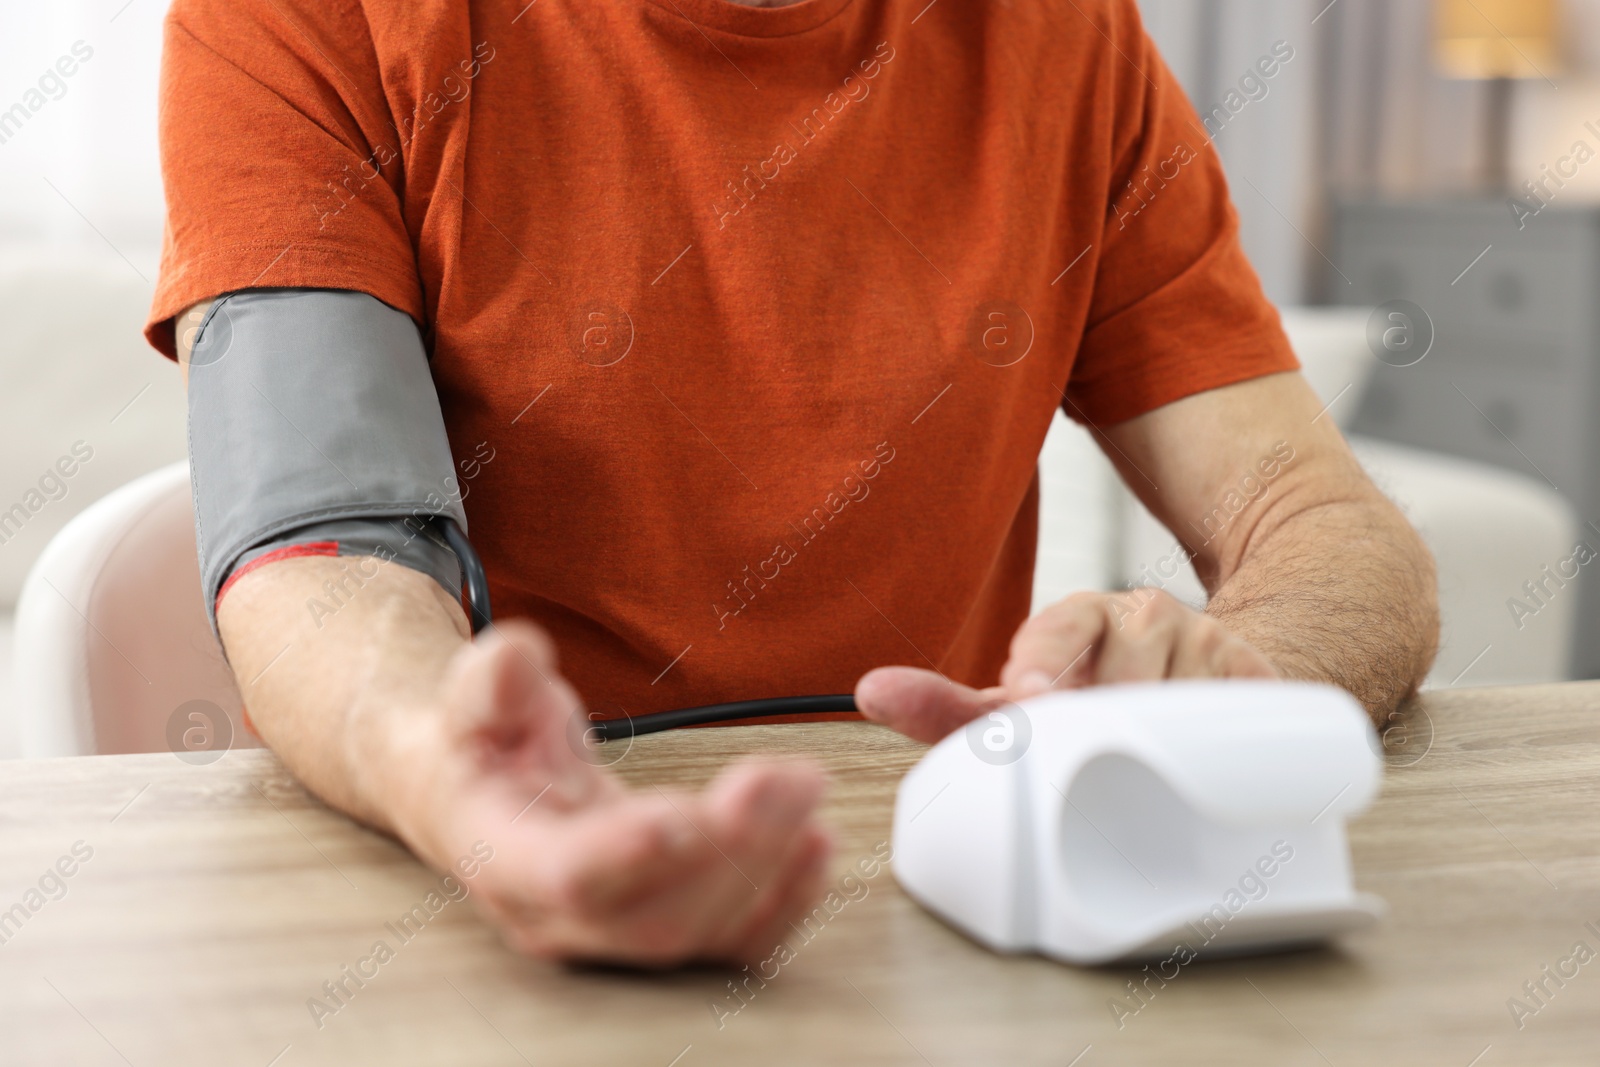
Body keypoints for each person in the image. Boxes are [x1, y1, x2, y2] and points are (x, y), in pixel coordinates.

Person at [147, 0, 1438, 966]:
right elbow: (321, 550)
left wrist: (1231, 686)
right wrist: (456, 775)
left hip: (931, 909)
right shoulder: (304, 16)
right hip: (447, 902)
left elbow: (1324, 523)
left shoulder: (1069, 40)